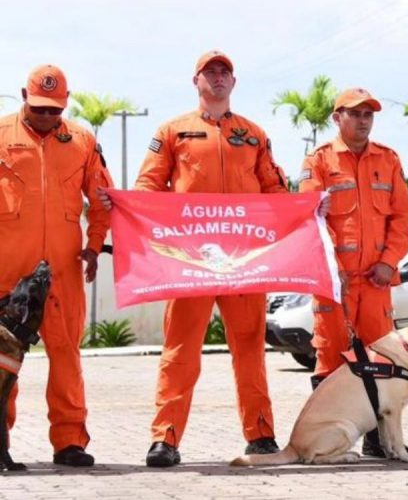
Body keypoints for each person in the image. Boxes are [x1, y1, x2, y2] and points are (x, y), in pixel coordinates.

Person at [101, 51, 288, 467]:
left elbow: (275, 191)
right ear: (196, 81)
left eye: (225, 72)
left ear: (233, 83)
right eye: (211, 72)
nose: (218, 78)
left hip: (245, 262)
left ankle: (260, 434)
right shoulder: (173, 131)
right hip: (190, 262)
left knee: (250, 351)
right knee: (180, 351)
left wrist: (305, 211)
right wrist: (128, 206)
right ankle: (164, 438)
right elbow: (149, 185)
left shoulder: (254, 135)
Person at [0, 64, 113, 466]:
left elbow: (103, 200)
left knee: (66, 356)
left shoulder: (81, 141)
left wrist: (95, 246)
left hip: (63, 268)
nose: (47, 117)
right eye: (40, 108)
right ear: (24, 96)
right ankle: (0, 442)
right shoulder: (0, 135)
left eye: (55, 109)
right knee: (1, 359)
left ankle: (69, 442)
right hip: (6, 270)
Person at [298, 87, 408, 457]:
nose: (362, 121)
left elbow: (400, 218)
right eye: (354, 113)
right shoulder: (319, 161)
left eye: (368, 114)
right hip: (335, 284)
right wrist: (332, 266)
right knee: (332, 359)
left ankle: (379, 442)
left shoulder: (388, 159)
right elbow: (311, 216)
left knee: (381, 362)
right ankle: (321, 438)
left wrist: (388, 261)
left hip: (376, 283)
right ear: (337, 118)